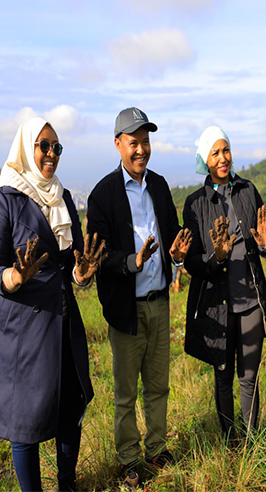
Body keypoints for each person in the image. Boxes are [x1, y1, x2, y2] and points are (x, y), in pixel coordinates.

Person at [0, 117, 106, 491]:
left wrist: (82, 275)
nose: (51, 154)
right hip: (22, 334)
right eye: (44, 146)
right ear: (25, 148)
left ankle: (68, 484)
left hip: (62, 325)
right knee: (25, 424)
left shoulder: (63, 198)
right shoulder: (5, 199)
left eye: (57, 148)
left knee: (70, 411)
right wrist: (13, 278)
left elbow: (74, 264)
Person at [87, 107, 192, 487]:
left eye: (146, 142)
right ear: (118, 145)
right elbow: (99, 254)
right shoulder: (102, 195)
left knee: (159, 384)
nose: (141, 150)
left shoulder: (160, 186)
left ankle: (157, 447)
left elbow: (174, 233)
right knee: (126, 391)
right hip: (125, 309)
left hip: (159, 303)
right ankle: (129, 458)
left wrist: (177, 253)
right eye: (134, 143)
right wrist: (132, 260)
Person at [182, 126, 266, 444]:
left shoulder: (248, 191)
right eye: (215, 153)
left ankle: (252, 442)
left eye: (226, 150)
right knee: (223, 376)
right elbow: (192, 262)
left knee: (249, 377)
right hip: (217, 306)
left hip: (250, 302)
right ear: (205, 160)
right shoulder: (195, 204)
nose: (222, 158)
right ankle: (229, 441)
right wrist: (217, 259)